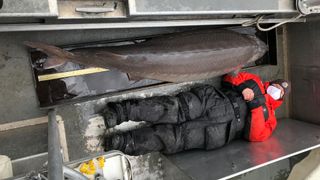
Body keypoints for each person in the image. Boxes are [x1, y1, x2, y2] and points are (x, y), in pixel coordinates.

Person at [101, 72, 290, 156]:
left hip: (220, 132)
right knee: (172, 108)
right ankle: (120, 112)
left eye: (280, 92)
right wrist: (242, 88)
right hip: (213, 101)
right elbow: (230, 77)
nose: (276, 90)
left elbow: (256, 135)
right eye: (276, 86)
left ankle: (125, 142)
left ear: (280, 99)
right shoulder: (255, 81)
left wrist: (256, 104)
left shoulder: (270, 119)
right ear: (271, 83)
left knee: (173, 139)